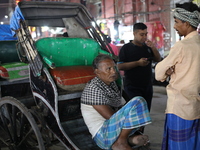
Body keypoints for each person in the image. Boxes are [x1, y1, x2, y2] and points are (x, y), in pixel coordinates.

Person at [81, 54, 151, 150]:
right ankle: (121, 142)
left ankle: (127, 139)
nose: (113, 71)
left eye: (114, 68)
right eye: (108, 69)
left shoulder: (112, 84)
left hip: (112, 130)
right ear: (97, 72)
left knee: (137, 108)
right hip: (103, 136)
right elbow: (111, 117)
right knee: (138, 101)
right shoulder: (93, 89)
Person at [155, 2, 200, 150]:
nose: (174, 26)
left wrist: (169, 71)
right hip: (196, 107)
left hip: (179, 108)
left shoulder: (182, 46)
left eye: (177, 22)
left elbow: (159, 73)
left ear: (187, 23)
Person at [118, 23, 161, 111]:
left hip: (147, 86)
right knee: (135, 113)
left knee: (145, 113)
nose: (144, 37)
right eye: (141, 34)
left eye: (146, 34)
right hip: (132, 86)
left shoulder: (147, 47)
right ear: (134, 33)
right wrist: (137, 63)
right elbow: (120, 66)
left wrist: (153, 47)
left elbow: (158, 59)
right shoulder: (126, 48)